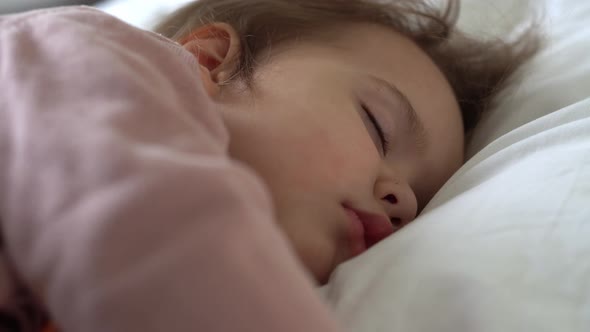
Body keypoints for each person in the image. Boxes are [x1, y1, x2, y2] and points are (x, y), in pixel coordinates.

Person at [0, 1, 538, 331]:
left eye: (423, 198)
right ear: (211, 60)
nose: (405, 200)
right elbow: (144, 220)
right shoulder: (86, 57)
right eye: (377, 126)